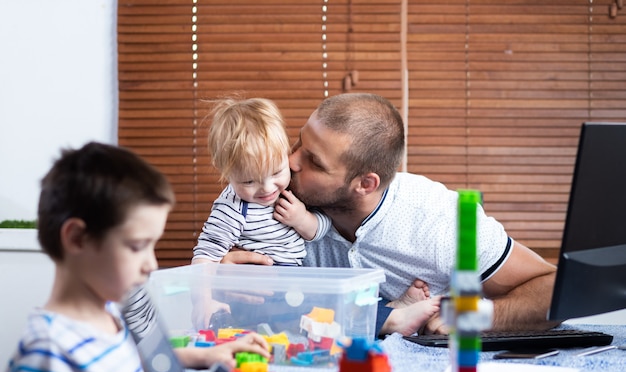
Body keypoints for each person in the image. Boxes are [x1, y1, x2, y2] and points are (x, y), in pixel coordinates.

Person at [220, 92, 559, 338]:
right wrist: (223, 278)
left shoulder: (439, 219)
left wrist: (473, 316)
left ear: (365, 184)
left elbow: (553, 289)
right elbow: (245, 310)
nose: (291, 162)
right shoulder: (275, 197)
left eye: (314, 161)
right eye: (297, 144)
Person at [1, 142, 269, 372]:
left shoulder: (106, 312)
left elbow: (123, 363)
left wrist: (205, 356)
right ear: (77, 239)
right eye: (137, 246)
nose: (151, 264)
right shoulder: (48, 352)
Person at [192, 96, 331, 266]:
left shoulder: (291, 190)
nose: (267, 188)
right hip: (257, 282)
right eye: (249, 181)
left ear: (286, 154)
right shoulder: (233, 207)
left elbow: (322, 230)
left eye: (276, 172)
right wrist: (205, 290)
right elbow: (205, 256)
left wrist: (302, 219)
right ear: (228, 175)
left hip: (293, 279)